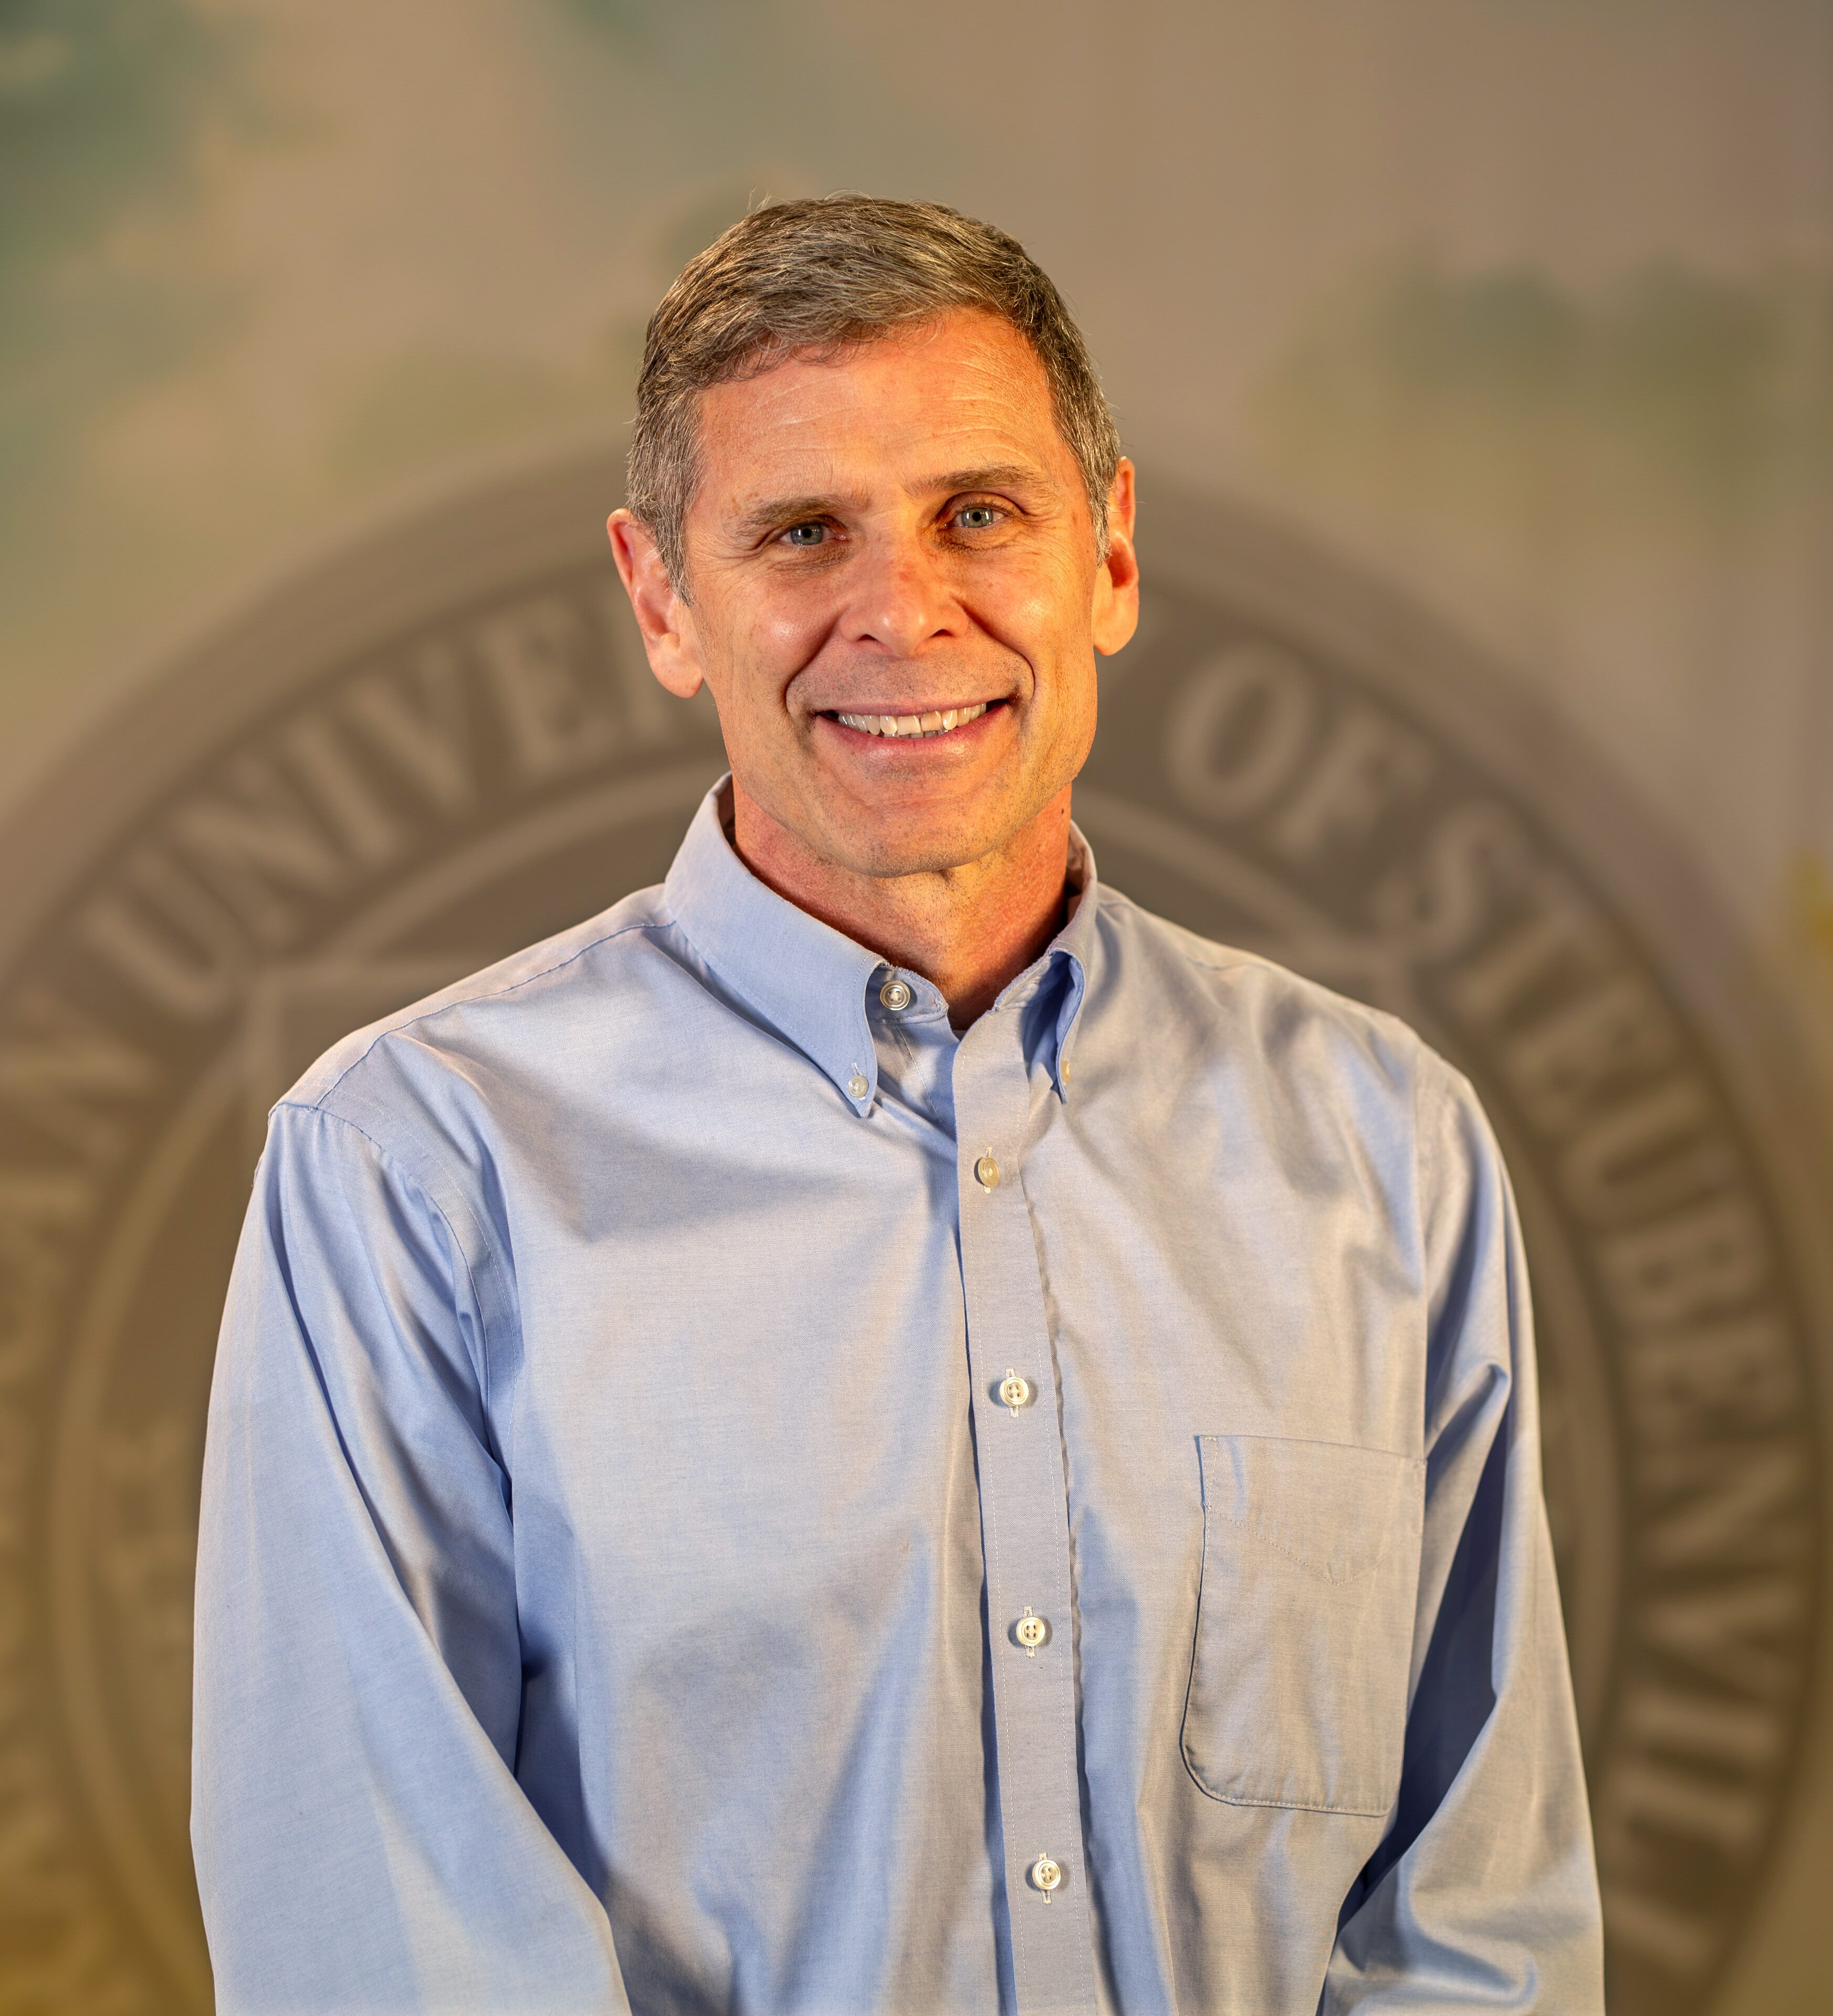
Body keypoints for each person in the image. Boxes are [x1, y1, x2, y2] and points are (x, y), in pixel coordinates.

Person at [192, 196, 1602, 2014]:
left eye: (979, 515)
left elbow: (1477, 1927)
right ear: (661, 599)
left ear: (1108, 556)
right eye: (801, 532)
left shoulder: (1382, 1145)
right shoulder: (412, 1166)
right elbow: (383, 1952)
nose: (902, 609)